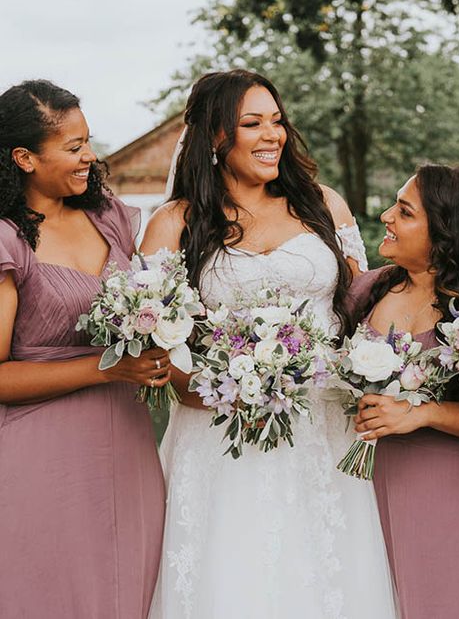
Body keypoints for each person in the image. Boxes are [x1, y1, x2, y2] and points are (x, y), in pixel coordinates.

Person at [142, 69, 396, 619]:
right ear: (214, 136)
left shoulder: (324, 206)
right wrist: (224, 393)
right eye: (252, 123)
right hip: (221, 433)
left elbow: (360, 311)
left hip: (322, 428)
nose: (272, 135)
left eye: (277, 121)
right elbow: (156, 346)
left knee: (325, 577)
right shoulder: (175, 224)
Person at [0, 80, 166, 618]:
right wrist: (107, 369)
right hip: (42, 454)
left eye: (88, 141)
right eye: (73, 147)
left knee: (129, 590)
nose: (90, 156)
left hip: (126, 448)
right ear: (23, 158)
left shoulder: (110, 219)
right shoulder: (8, 240)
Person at [350, 164, 459, 619]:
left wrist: (422, 413)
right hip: (370, 489)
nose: (386, 216)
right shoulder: (368, 290)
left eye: (404, 212)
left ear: (444, 232)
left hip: (456, 491)